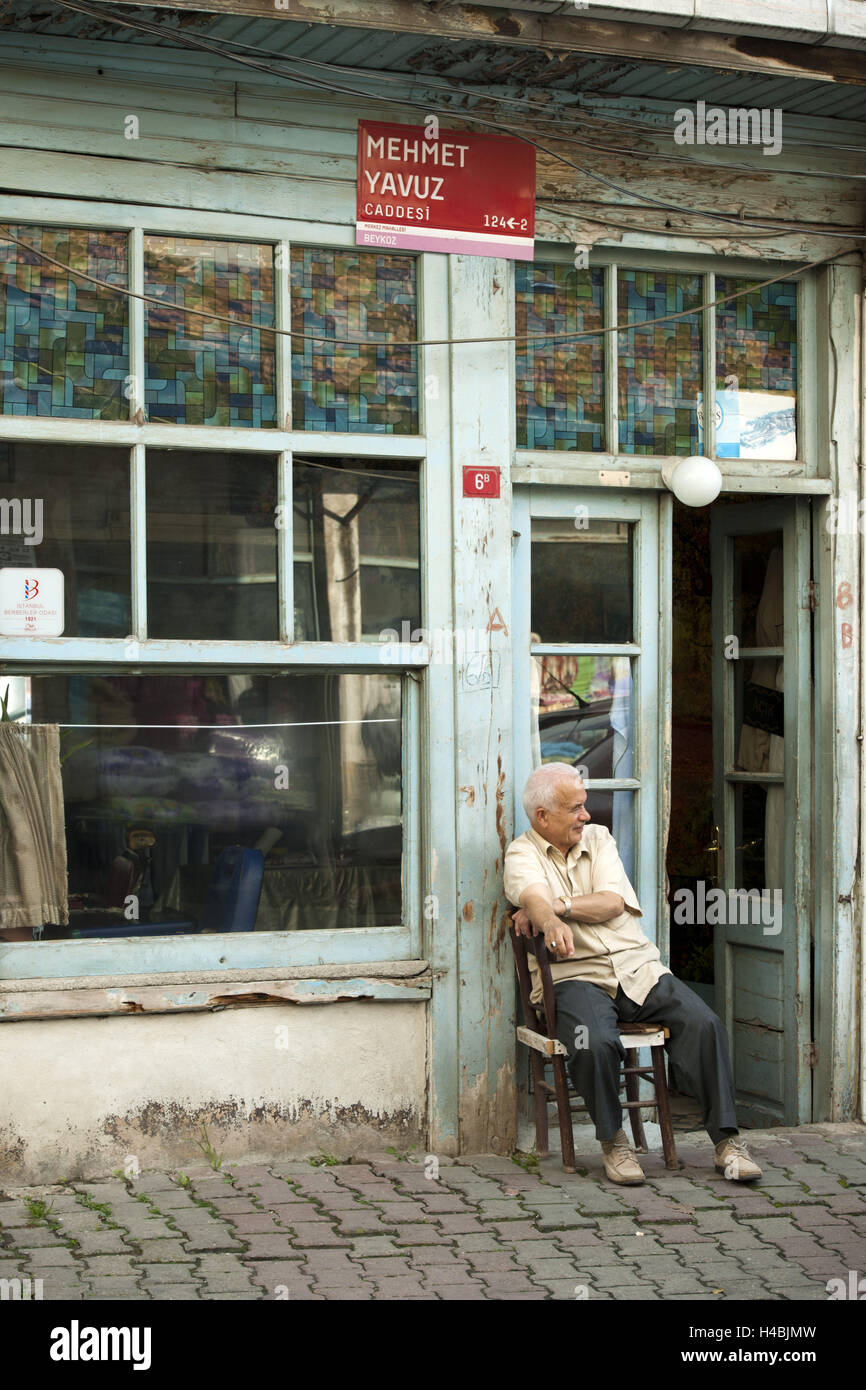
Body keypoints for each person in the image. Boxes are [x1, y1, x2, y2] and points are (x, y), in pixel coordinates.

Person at [504, 762, 761, 1186]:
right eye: (576, 809)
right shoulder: (522, 853)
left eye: (585, 806)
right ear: (542, 817)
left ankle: (727, 1142)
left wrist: (559, 908)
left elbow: (611, 902)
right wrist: (545, 918)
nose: (586, 816)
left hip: (635, 966)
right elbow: (532, 894)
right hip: (576, 975)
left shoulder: (599, 839)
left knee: (705, 1023)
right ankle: (613, 1141)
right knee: (595, 1041)